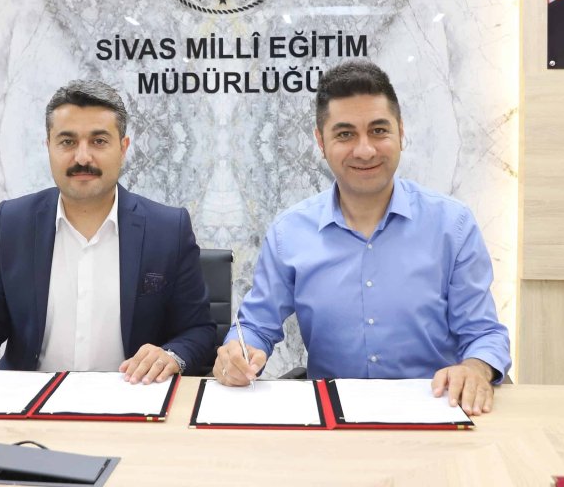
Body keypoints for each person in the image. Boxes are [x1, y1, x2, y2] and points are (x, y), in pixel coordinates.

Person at [213, 61, 511, 416]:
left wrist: (475, 368)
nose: (365, 150)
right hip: (331, 420)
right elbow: (255, 327)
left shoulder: (452, 225)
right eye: (345, 135)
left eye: (378, 130)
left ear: (401, 133)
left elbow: (483, 334)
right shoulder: (289, 233)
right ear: (320, 142)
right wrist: (237, 353)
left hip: (435, 412)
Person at [0, 80, 215, 384]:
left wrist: (171, 356)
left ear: (123, 148)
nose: (82, 158)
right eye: (67, 142)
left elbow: (199, 332)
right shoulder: (13, 222)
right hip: (29, 399)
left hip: (132, 397)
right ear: (48, 147)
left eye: (99, 141)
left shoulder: (168, 229)